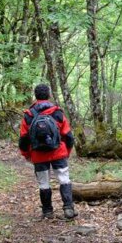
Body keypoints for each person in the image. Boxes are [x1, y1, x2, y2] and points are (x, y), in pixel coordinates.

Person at [19, 84, 77, 220]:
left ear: (35, 96)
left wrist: (27, 154)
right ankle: (68, 208)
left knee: (43, 183)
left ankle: (47, 211)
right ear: (49, 95)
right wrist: (67, 151)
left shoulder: (28, 115)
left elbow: (23, 139)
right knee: (64, 179)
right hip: (59, 152)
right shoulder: (57, 113)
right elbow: (68, 136)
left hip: (38, 155)